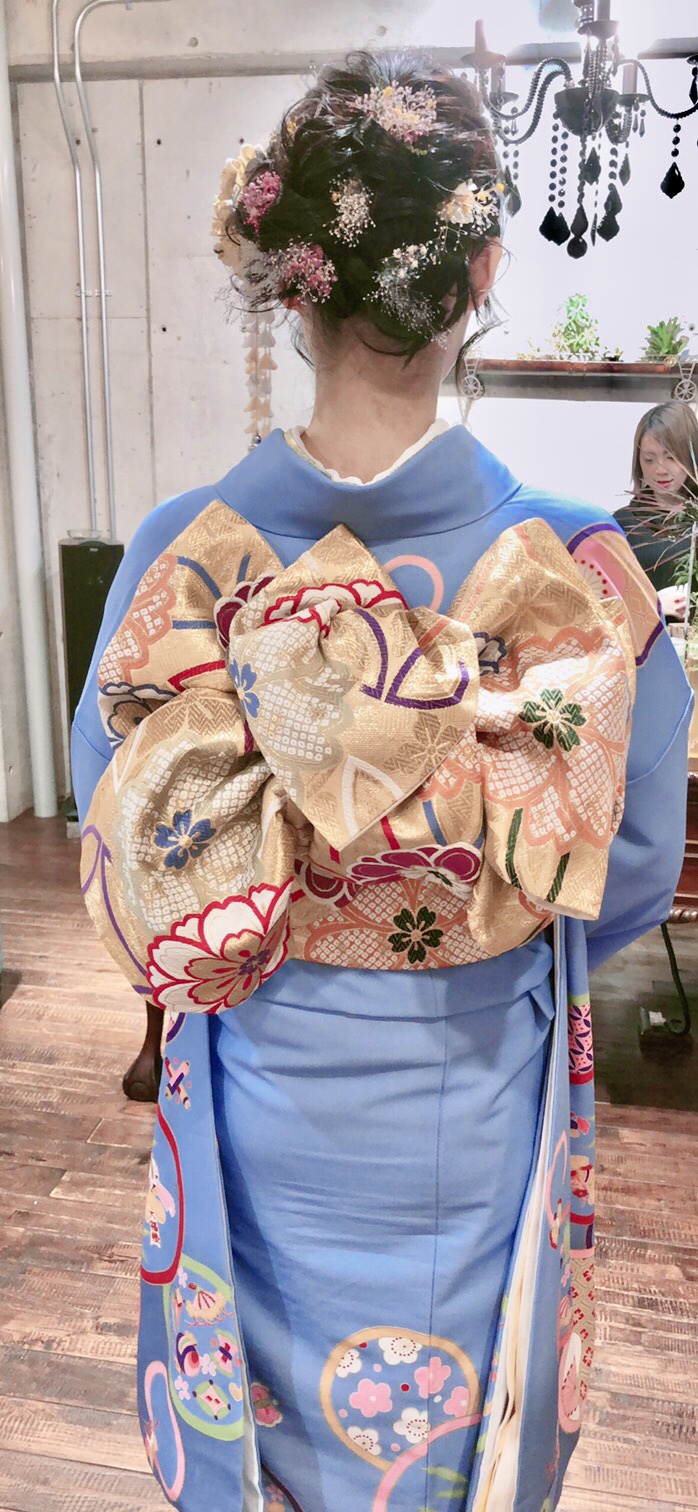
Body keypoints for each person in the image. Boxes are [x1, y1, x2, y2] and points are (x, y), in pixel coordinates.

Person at [71, 51, 691, 1512]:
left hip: (258, 1084)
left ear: (287, 287)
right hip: (475, 1093)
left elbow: (131, 859)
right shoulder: (577, 568)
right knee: (448, 1437)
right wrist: (461, 904)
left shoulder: (182, 557)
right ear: (482, 272)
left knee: (269, 1443)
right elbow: (635, 867)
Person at [615, 400, 698, 622]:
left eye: (671, 457)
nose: (660, 469)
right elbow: (602, 603)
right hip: (647, 640)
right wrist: (653, 603)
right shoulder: (621, 525)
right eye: (649, 459)